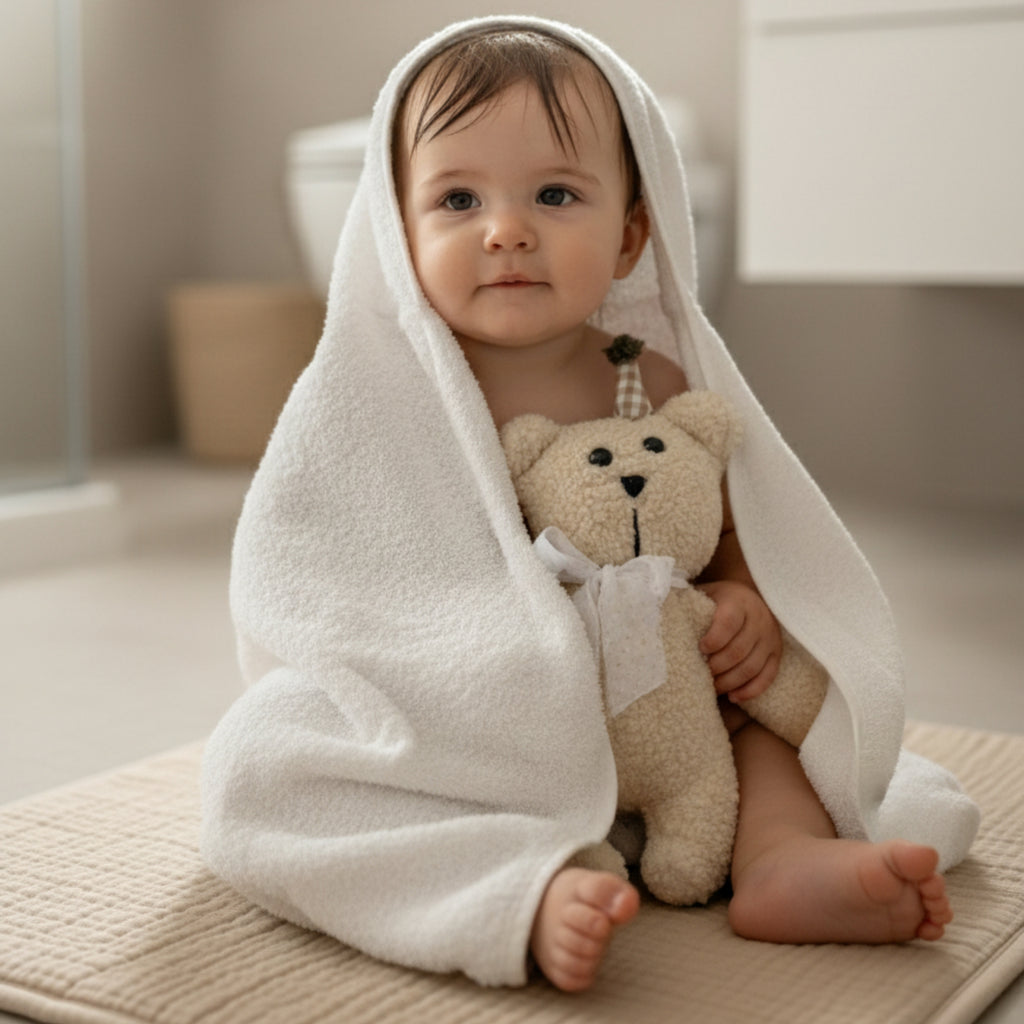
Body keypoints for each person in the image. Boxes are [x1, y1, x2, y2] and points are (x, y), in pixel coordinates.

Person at [201, 16, 979, 995]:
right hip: (481, 712)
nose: (506, 228)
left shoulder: (648, 375)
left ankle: (779, 858)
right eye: (457, 198)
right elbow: (333, 566)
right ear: (398, 234)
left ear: (629, 235)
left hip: (662, 696)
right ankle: (513, 884)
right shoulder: (388, 396)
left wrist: (741, 597)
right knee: (256, 767)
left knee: (773, 721)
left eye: (555, 193)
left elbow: (737, 529)